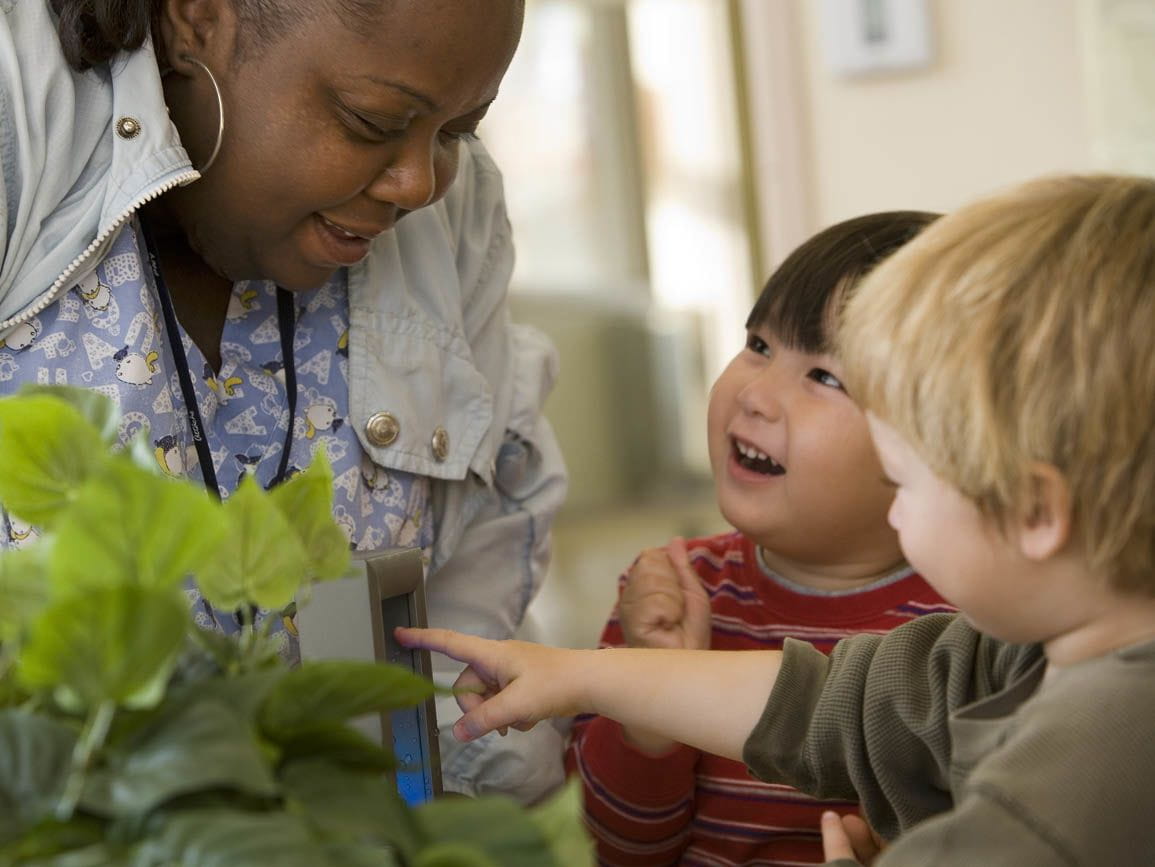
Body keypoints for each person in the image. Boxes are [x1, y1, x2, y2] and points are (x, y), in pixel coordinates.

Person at [399, 173, 1155, 865]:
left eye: (906, 483)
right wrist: (583, 674)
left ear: (1032, 511)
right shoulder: (1017, 652)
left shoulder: (1084, 772)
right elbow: (830, 706)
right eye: (756, 345)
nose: (898, 509)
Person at [0, 0, 569, 802]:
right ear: (199, 16)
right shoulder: (18, 118)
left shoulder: (457, 208)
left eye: (457, 130)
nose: (419, 183)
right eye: (373, 121)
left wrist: (439, 818)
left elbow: (468, 598)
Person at [566, 212, 952, 865]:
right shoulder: (675, 592)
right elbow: (616, 849)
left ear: (940, 443)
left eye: (826, 377)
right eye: (759, 343)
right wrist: (652, 702)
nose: (756, 394)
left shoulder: (967, 629)